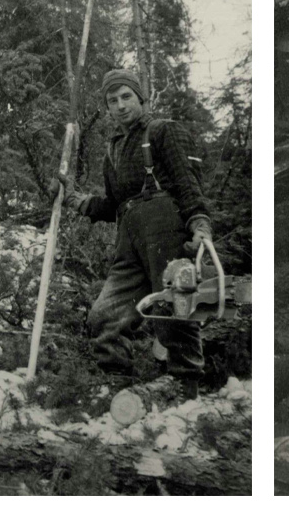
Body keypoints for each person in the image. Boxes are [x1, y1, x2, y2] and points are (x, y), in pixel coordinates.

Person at [69, 68, 215, 385]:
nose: (120, 105)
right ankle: (119, 384)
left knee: (173, 306)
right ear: (107, 107)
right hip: (129, 238)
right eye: (113, 100)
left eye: (126, 97)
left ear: (141, 98)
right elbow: (114, 204)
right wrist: (79, 201)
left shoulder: (164, 131)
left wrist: (199, 224)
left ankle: (185, 386)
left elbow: (188, 183)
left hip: (165, 229)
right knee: (105, 315)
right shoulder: (114, 151)